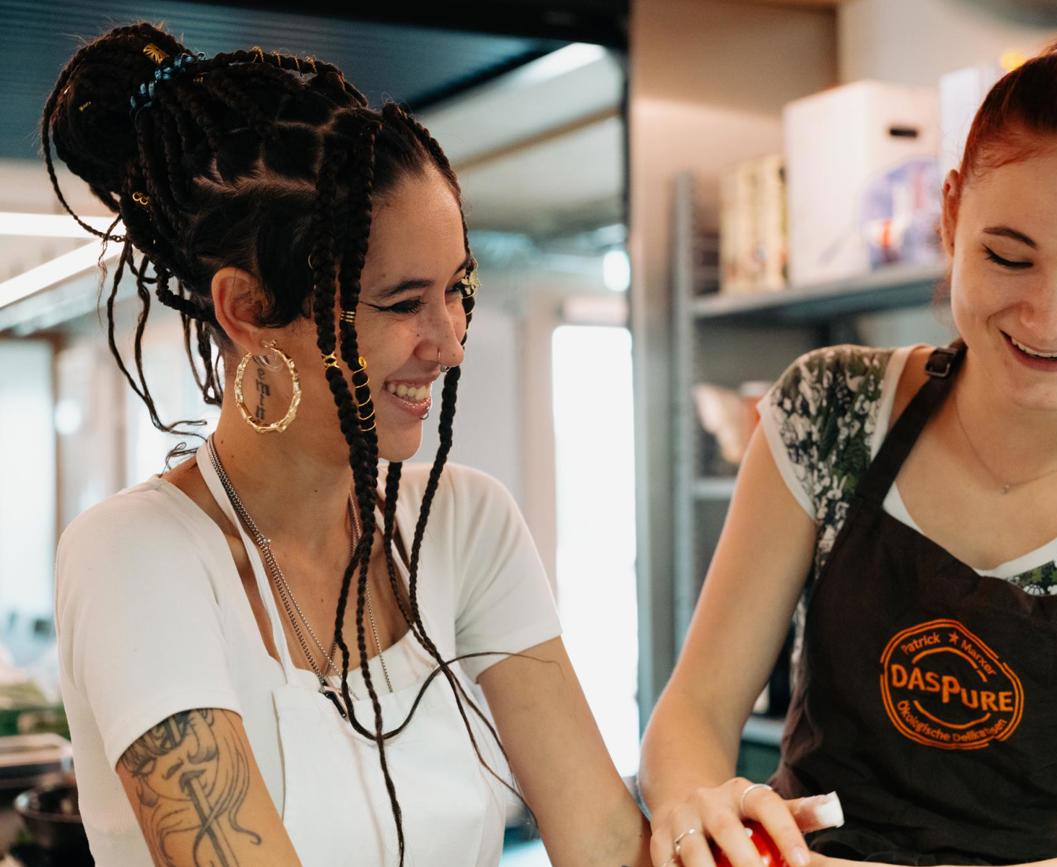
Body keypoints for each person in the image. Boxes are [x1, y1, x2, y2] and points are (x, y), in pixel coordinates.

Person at [639, 35, 1057, 867]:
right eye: (1008, 256)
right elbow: (694, 707)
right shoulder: (832, 408)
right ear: (952, 214)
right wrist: (701, 804)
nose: (1047, 316)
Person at [44, 22, 650, 867]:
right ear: (248, 309)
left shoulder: (467, 527)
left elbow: (608, 844)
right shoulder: (135, 556)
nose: (450, 340)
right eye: (403, 304)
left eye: (457, 289)